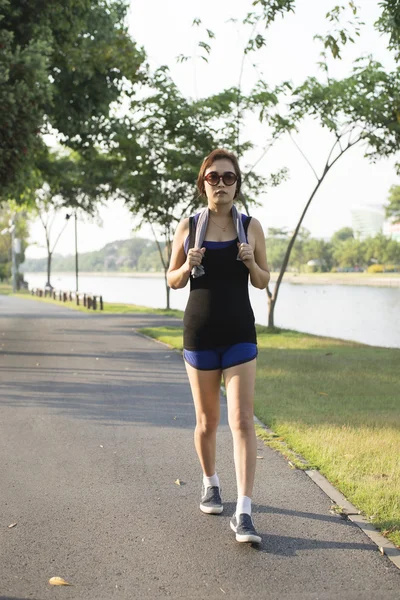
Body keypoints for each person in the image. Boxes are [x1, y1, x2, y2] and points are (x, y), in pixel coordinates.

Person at [167, 148, 270, 543]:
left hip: (241, 334)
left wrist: (250, 262)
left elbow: (262, 281)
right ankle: (211, 482)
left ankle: (244, 511)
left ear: (237, 184)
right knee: (207, 422)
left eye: (229, 178)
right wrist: (186, 264)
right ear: (203, 184)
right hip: (200, 333)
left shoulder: (251, 226)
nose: (222, 184)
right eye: (214, 178)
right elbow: (172, 280)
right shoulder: (189, 226)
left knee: (242, 420)